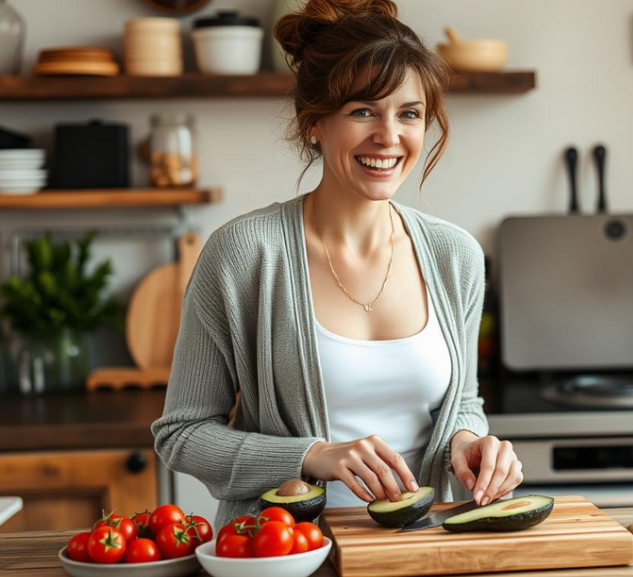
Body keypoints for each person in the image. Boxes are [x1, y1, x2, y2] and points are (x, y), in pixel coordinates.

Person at [151, 0, 523, 529]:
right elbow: (182, 434)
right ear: (314, 124)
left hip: (419, 552)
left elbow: (460, 402)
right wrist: (312, 455)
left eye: (409, 113)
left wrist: (468, 442)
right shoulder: (243, 255)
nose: (389, 137)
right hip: (285, 554)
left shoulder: (454, 255)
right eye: (363, 111)